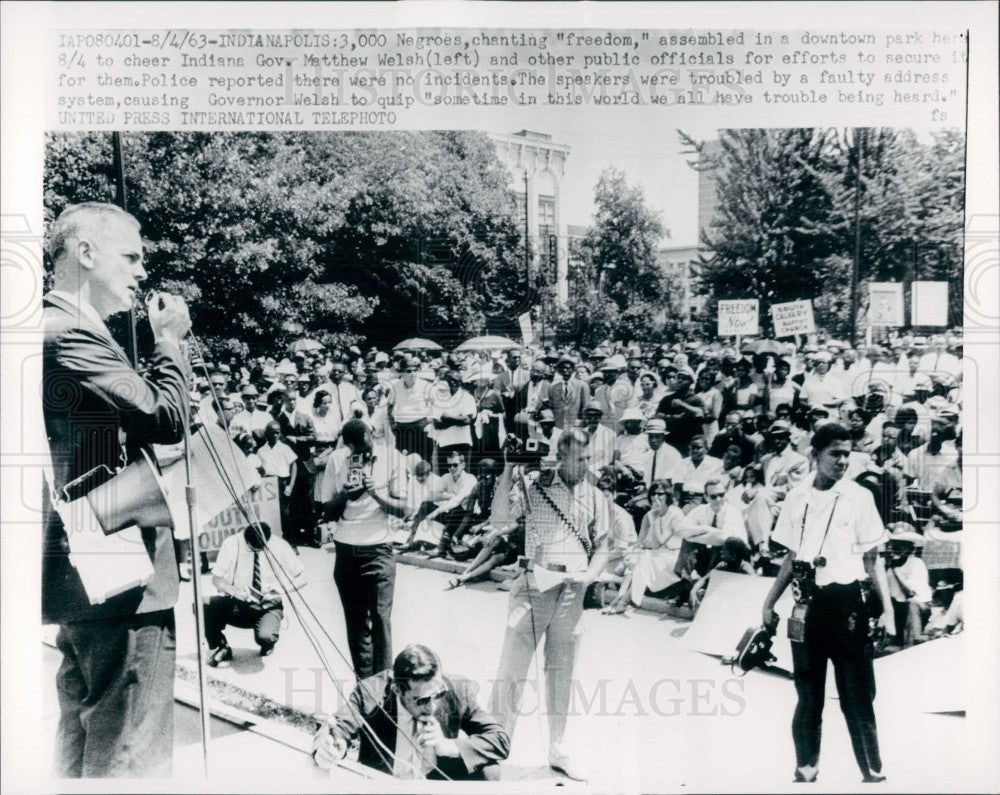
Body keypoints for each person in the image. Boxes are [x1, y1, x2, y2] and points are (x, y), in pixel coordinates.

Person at [42, 202, 192, 777]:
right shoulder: (68, 330)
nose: (141, 271)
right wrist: (170, 342)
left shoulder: (59, 327)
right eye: (130, 256)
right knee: (130, 747)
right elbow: (163, 416)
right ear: (85, 253)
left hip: (87, 565)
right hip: (117, 568)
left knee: (84, 738)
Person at [762, 422, 890, 784]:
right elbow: (790, 555)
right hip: (806, 606)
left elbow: (870, 560)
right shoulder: (796, 497)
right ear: (814, 455)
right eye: (835, 453)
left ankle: (872, 769)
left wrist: (885, 611)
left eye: (847, 453)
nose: (843, 460)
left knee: (857, 694)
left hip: (849, 605)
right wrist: (769, 602)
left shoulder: (859, 497)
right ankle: (806, 767)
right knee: (807, 694)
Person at [488, 429, 610, 781]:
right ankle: (494, 745)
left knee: (561, 672)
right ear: (560, 456)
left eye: (588, 458)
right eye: (578, 459)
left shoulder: (597, 496)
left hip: (572, 589)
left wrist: (589, 577)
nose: (585, 465)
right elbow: (499, 521)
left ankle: (559, 746)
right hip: (534, 583)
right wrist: (509, 470)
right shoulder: (534, 484)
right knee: (512, 669)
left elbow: (603, 545)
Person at [312, 644, 510, 780]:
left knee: (490, 772)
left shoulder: (458, 689)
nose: (432, 707)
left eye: (438, 693)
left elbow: (500, 740)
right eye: (422, 700)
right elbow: (337, 728)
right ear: (398, 690)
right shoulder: (371, 693)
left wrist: (448, 746)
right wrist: (327, 750)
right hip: (387, 785)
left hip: (435, 783)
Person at [319, 419, 407, 678]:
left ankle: (384, 687)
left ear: (372, 434)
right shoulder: (337, 460)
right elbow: (327, 511)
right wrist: (346, 495)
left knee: (381, 621)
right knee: (357, 624)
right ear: (346, 446)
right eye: (355, 450)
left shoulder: (393, 458)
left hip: (379, 549)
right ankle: (365, 687)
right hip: (347, 551)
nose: (362, 454)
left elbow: (403, 509)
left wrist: (375, 493)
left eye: (366, 447)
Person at [205, 523, 305, 664]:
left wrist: (281, 590)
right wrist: (234, 591)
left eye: (262, 548)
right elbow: (216, 579)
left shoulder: (279, 545)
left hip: (268, 606)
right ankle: (222, 646)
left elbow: (302, 577)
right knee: (202, 604)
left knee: (265, 636)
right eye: (253, 549)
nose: (258, 551)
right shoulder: (232, 543)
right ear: (245, 539)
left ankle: (267, 643)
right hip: (238, 603)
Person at [603, 480, 684, 614]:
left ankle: (622, 601)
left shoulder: (675, 513)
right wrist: (633, 558)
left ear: (668, 495)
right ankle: (621, 599)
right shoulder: (648, 515)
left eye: (660, 494)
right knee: (639, 560)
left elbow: (660, 541)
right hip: (655, 556)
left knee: (644, 559)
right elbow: (639, 543)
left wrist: (656, 516)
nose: (656, 497)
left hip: (672, 556)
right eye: (653, 494)